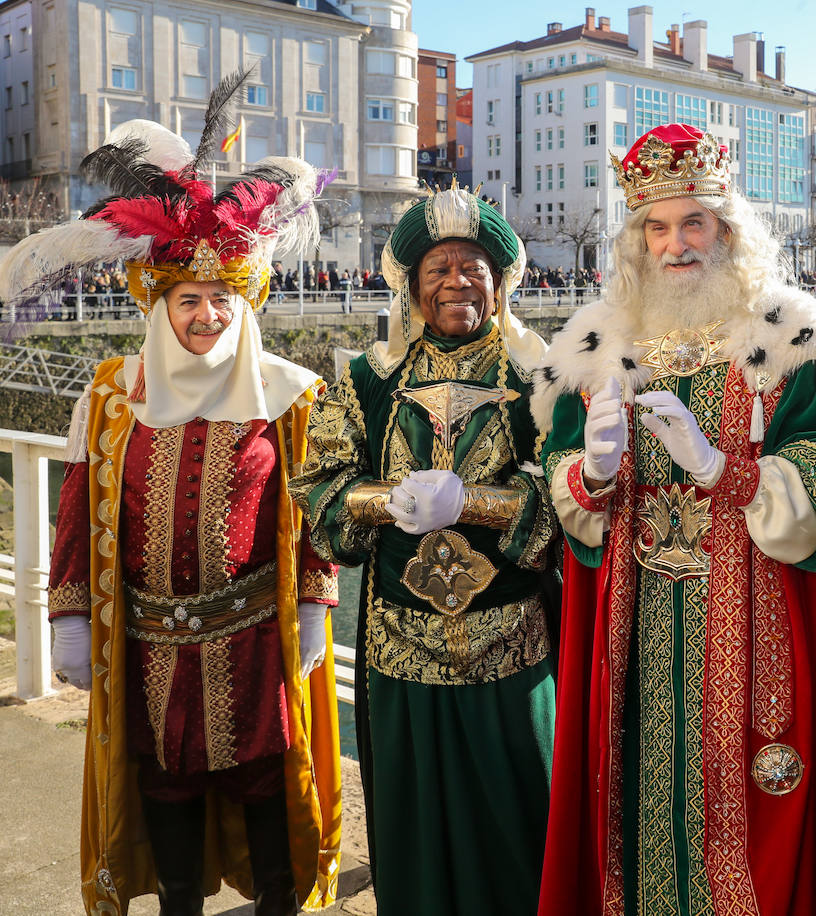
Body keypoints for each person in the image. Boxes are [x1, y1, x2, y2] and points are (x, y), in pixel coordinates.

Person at [0, 106, 343, 915]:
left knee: (267, 783)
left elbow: (313, 515)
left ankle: (277, 903)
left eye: (221, 301)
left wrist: (314, 605)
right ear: (161, 304)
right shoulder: (114, 395)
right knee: (164, 782)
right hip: (148, 642)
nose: (206, 317)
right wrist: (71, 617)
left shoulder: (290, 396)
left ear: (245, 305)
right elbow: (77, 510)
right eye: (189, 299)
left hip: (255, 636)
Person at [533, 123, 816, 916]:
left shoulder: (790, 342)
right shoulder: (597, 346)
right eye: (657, 226)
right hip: (632, 632)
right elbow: (559, 481)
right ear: (638, 239)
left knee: (752, 820)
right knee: (634, 806)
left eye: (693, 223)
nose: (675, 245)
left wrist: (725, 470)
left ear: (727, 229)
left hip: (754, 632)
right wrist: (592, 472)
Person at [289, 186, 557, 915]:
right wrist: (383, 501)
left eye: (473, 267)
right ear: (409, 286)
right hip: (400, 646)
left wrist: (471, 502)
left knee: (520, 819)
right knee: (414, 823)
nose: (456, 282)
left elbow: (571, 503)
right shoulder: (367, 380)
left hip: (513, 648)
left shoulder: (543, 379)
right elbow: (316, 486)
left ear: (501, 283)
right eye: (437, 269)